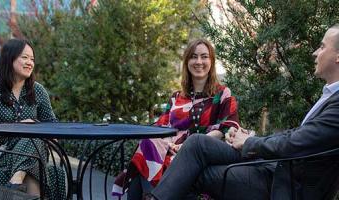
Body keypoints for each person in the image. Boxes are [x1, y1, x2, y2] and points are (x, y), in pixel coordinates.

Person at [145, 25, 339, 200]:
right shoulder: (330, 95)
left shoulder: (337, 103)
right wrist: (252, 138)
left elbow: (295, 143)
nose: (315, 53)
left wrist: (249, 143)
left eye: (322, 47)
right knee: (194, 144)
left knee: (193, 170)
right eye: (194, 57)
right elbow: (299, 136)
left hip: (285, 182)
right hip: (276, 166)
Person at [112, 39, 240, 199]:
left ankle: (151, 195)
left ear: (211, 61)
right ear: (187, 62)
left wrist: (185, 146)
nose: (199, 61)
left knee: (141, 169)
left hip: (200, 152)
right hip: (170, 148)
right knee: (148, 143)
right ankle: (152, 195)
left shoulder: (222, 94)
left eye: (204, 56)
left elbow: (228, 126)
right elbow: (161, 127)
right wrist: (170, 144)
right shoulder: (176, 97)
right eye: (193, 56)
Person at [0, 39, 65, 199]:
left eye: (32, 59)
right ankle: (18, 176)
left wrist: (41, 133)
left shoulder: (38, 91)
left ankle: (16, 179)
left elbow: (51, 124)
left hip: (35, 152)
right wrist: (18, 127)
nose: (30, 63)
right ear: (10, 58)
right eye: (25, 57)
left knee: (33, 134)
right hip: (1, 152)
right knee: (33, 134)